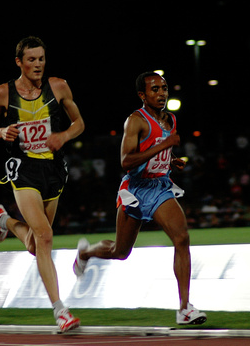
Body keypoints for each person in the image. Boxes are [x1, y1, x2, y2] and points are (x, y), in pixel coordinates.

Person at [72, 72, 207, 326]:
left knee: (182, 238)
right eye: (155, 89)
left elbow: (159, 147)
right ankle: (87, 253)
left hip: (160, 187)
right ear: (142, 95)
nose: (161, 93)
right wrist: (163, 147)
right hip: (135, 190)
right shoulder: (135, 121)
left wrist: (170, 158)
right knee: (120, 251)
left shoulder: (170, 120)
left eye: (164, 88)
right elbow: (126, 161)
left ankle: (184, 308)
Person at [0, 36, 85, 332]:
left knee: (35, 243)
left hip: (53, 169)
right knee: (45, 236)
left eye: (41, 59)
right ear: (19, 62)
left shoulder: (59, 86)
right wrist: (1, 132)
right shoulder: (2, 93)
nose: (37, 64)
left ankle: (5, 220)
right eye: (31, 60)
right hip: (23, 169)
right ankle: (60, 310)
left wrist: (63, 136)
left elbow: (79, 123)